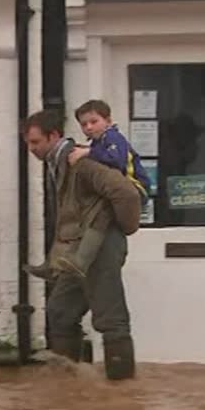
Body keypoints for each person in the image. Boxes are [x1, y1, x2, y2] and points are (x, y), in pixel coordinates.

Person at [22, 109, 141, 380]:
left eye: (35, 142)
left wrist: (122, 229)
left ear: (54, 136)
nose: (30, 149)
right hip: (78, 253)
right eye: (28, 143)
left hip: (101, 248)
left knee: (110, 318)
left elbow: (126, 194)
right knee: (60, 310)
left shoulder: (80, 162)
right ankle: (69, 387)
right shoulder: (58, 162)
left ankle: (122, 394)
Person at [55, 99, 150, 278]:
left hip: (136, 186)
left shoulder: (113, 137)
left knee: (102, 211)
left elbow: (117, 160)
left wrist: (87, 153)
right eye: (84, 124)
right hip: (115, 190)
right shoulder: (98, 142)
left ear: (108, 120)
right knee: (95, 213)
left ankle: (81, 260)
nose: (89, 127)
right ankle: (72, 258)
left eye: (94, 121)